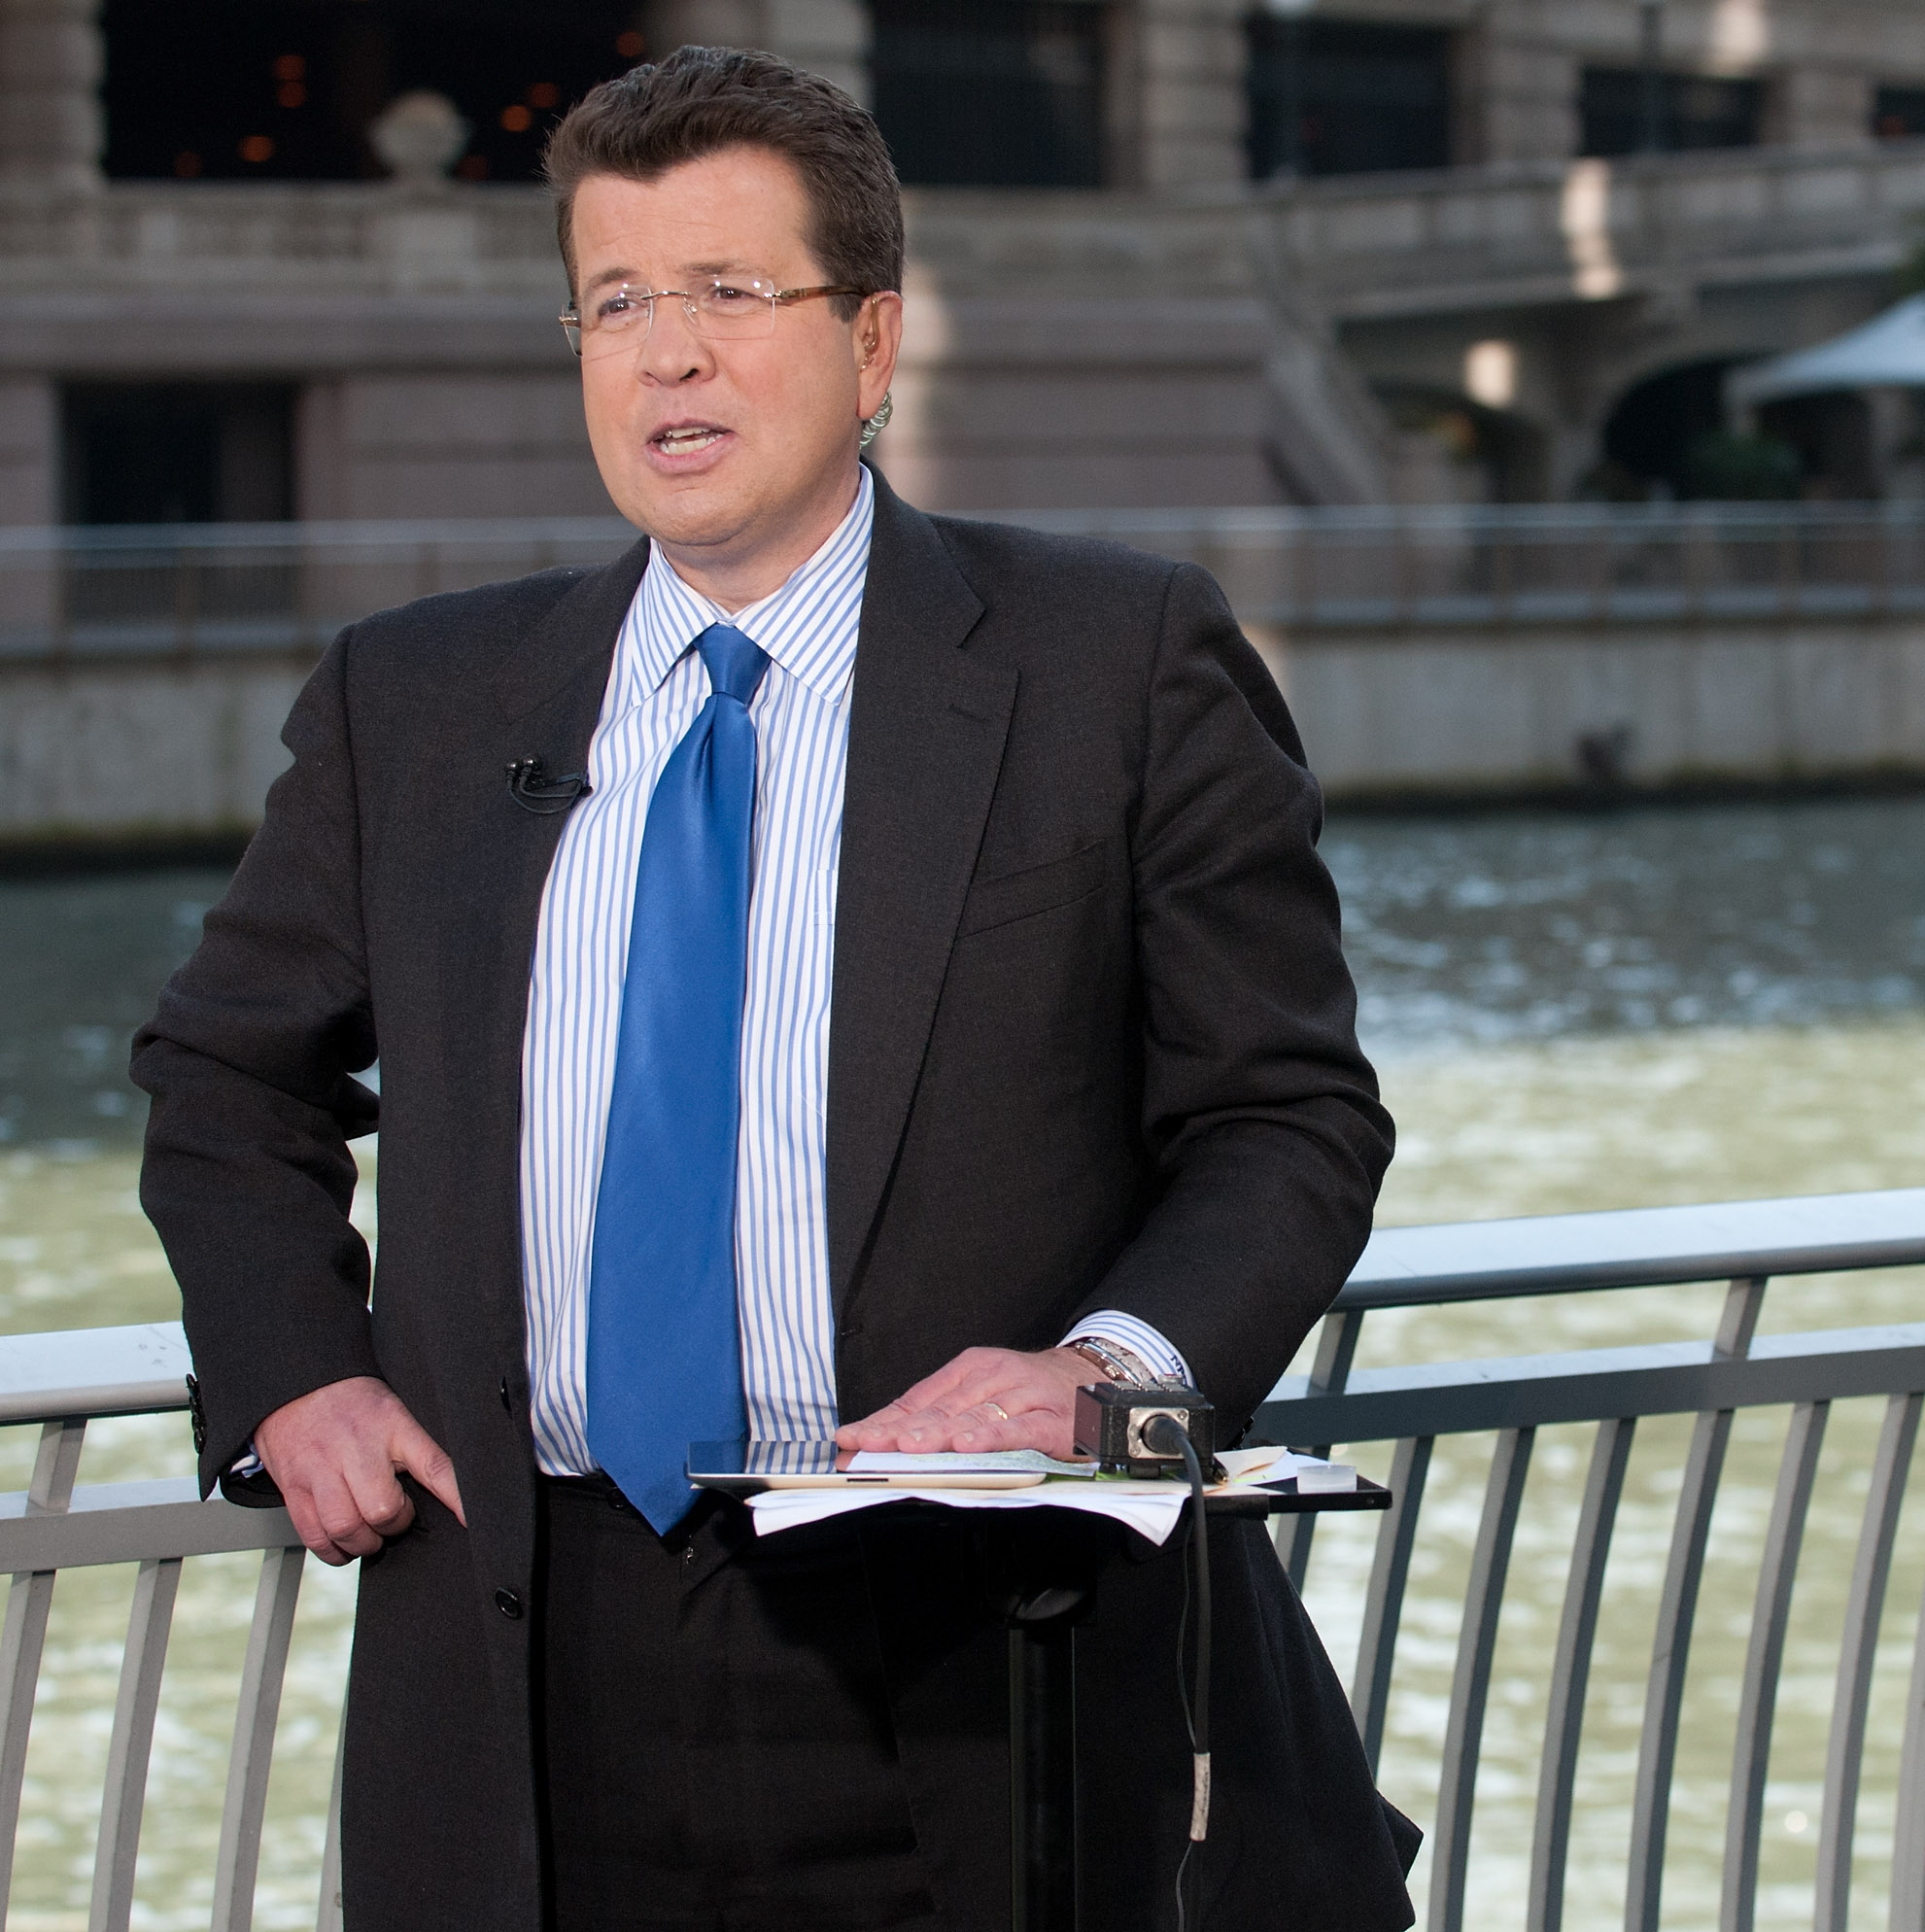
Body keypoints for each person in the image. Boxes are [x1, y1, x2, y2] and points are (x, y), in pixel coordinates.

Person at [132, 45, 1417, 1931]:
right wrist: (294, 1371)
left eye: (731, 294)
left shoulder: (1111, 662)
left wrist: (1106, 1377)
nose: (666, 354)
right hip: (515, 1659)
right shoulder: (412, 702)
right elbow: (226, 1079)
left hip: (987, 1642)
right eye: (619, 303)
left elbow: (1287, 1119)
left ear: (875, 343)